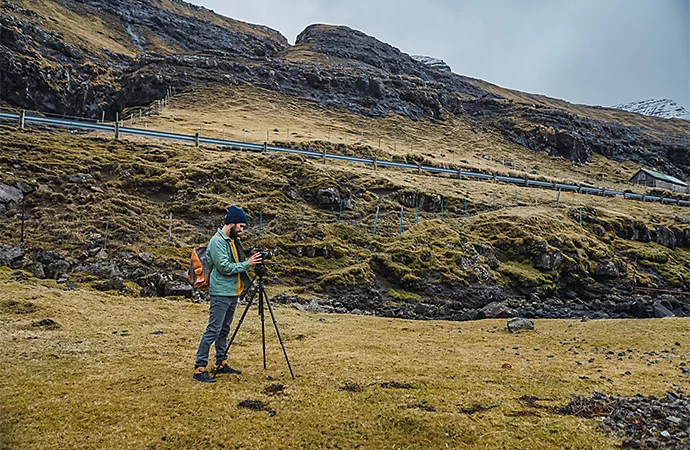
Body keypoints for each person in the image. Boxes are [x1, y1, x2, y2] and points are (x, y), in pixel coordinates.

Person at [192, 206, 262, 383]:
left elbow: (235, 259)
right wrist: (248, 263)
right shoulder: (217, 242)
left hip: (232, 291)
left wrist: (249, 255)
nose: (242, 230)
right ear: (231, 223)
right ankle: (199, 369)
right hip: (221, 292)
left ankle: (221, 363)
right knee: (213, 330)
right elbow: (224, 267)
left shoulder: (231, 240)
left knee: (224, 329)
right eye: (241, 226)